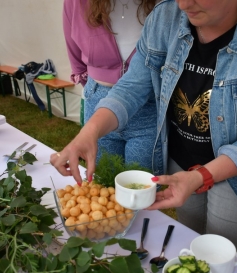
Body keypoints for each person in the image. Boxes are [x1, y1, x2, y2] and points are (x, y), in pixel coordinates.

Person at [52, 0, 237, 251]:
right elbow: (132, 86)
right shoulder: (165, 16)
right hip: (181, 160)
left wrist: (202, 176)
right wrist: (90, 131)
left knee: (218, 253)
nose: (184, 4)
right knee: (190, 239)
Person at [63, 0, 163, 175]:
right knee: (103, 180)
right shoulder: (77, 3)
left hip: (148, 104)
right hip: (98, 101)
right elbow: (74, 54)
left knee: (141, 188)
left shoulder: (165, 6)